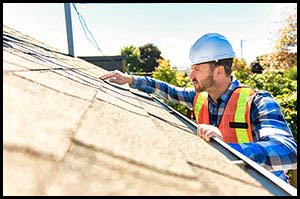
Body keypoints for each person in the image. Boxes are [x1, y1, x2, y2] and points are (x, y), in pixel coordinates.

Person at [99, 33, 297, 183]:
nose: (190, 75)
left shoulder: (258, 102)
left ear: (219, 71)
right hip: (228, 183)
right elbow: (168, 90)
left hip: (266, 187)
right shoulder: (201, 97)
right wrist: (131, 79)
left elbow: (288, 150)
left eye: (197, 69)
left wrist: (228, 151)